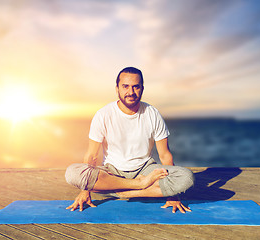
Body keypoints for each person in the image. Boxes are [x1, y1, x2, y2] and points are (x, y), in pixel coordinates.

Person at [65, 67, 195, 213]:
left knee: (186, 178)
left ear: (142, 89)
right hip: (113, 172)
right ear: (117, 89)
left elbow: (165, 154)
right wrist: (85, 191)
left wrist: (173, 195)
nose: (131, 92)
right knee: (73, 173)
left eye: (136, 87)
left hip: (145, 170)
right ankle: (139, 185)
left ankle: (125, 193)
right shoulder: (103, 114)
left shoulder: (152, 113)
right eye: (125, 86)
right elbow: (92, 155)